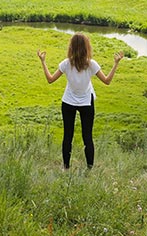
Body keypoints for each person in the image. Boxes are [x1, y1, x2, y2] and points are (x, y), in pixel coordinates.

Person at [39, 32, 123, 169]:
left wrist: (43, 62)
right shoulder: (91, 65)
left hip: (68, 102)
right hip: (86, 103)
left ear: (71, 47)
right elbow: (107, 81)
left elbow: (50, 79)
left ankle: (66, 167)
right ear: (86, 47)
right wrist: (116, 64)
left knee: (68, 136)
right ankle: (90, 168)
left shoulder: (66, 64)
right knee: (87, 137)